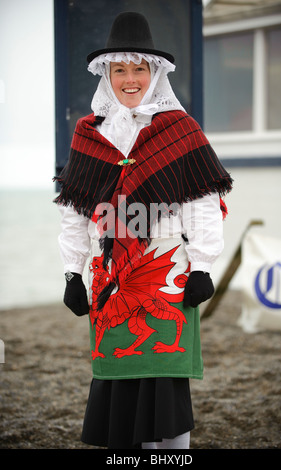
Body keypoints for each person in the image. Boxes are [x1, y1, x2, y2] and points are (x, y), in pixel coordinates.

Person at [53, 12, 233, 450]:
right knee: (117, 373)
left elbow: (202, 202)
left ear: (154, 75)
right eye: (120, 70)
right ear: (108, 75)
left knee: (165, 380)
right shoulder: (88, 134)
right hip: (111, 276)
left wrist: (203, 266)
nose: (129, 79)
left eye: (139, 69)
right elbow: (75, 212)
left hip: (167, 272)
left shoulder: (181, 130)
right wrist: (72, 273)